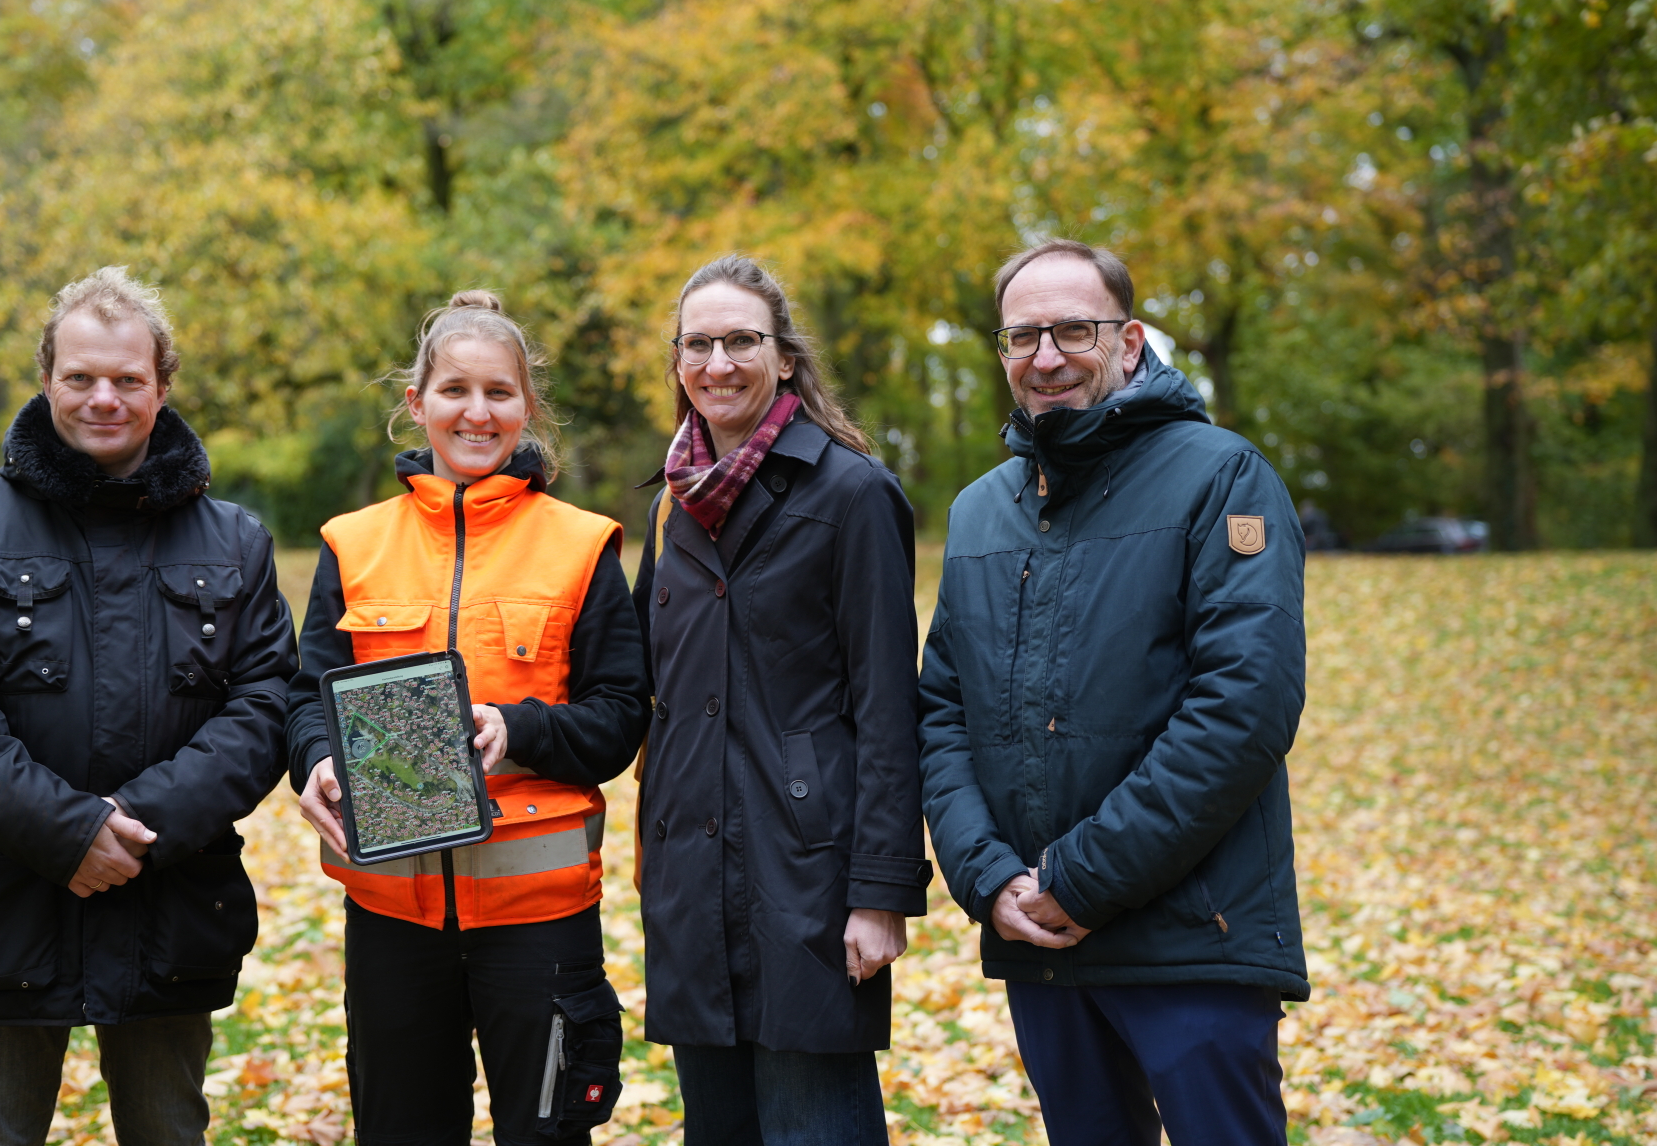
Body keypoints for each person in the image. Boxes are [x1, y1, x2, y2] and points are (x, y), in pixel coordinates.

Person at [0, 268, 298, 1146]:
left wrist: (138, 825)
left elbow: (265, 708)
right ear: (46, 379)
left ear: (162, 387)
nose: (103, 398)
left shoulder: (237, 542)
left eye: (127, 379)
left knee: (169, 1131)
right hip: (6, 896)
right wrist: (67, 831)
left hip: (171, 898)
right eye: (81, 377)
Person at [917, 238, 1309, 1146]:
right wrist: (989, 880)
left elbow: (1243, 708)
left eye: (1072, 330)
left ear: (1129, 342)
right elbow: (941, 711)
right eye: (1023, 337)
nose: (1046, 356)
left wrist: (1079, 881)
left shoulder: (1222, 476)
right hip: (1039, 942)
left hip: (1190, 937)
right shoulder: (980, 511)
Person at [286, 290, 651, 1146]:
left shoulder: (582, 543)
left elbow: (619, 717)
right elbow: (309, 693)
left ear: (527, 406)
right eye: (454, 390)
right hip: (390, 922)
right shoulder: (352, 542)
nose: (476, 413)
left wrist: (517, 730)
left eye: (498, 393)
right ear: (418, 404)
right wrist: (315, 764)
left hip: (540, 922)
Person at [630, 255, 930, 1146]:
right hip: (689, 870)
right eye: (698, 344)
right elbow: (651, 690)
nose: (717, 363)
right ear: (678, 361)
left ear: (785, 357)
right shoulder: (672, 505)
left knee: (815, 1130)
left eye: (741, 341)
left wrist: (881, 894)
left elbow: (887, 708)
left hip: (809, 872)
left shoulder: (853, 495)